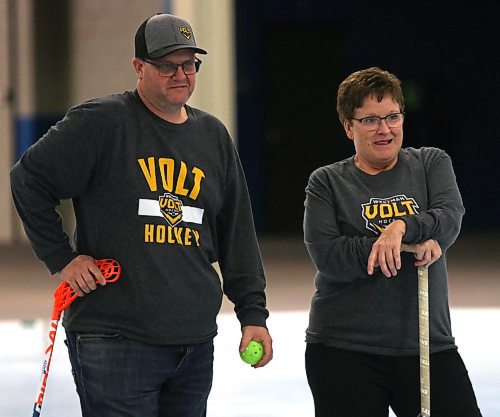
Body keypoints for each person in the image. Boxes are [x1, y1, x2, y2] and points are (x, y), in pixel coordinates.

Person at [10, 13, 272, 417]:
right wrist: (61, 258)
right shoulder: (102, 122)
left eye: (189, 64)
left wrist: (252, 314)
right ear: (139, 67)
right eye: (167, 65)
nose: (180, 74)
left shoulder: (212, 136)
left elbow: (236, 230)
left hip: (193, 341)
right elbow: (28, 178)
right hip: (115, 339)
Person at [303, 67, 481, 417]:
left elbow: (450, 215)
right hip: (343, 347)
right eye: (370, 120)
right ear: (348, 127)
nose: (385, 129)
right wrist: (408, 243)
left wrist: (402, 228)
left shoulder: (431, 163)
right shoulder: (326, 182)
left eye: (392, 117)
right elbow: (329, 255)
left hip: (426, 344)